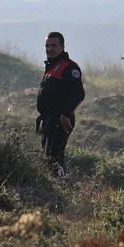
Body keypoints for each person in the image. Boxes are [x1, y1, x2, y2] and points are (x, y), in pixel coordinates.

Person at [36, 32, 85, 177]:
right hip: (48, 119)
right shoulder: (51, 67)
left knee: (55, 156)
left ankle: (60, 184)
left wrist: (65, 115)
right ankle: (55, 184)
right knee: (48, 155)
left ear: (62, 47)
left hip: (59, 119)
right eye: (47, 45)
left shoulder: (69, 67)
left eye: (54, 45)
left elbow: (78, 94)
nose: (50, 49)